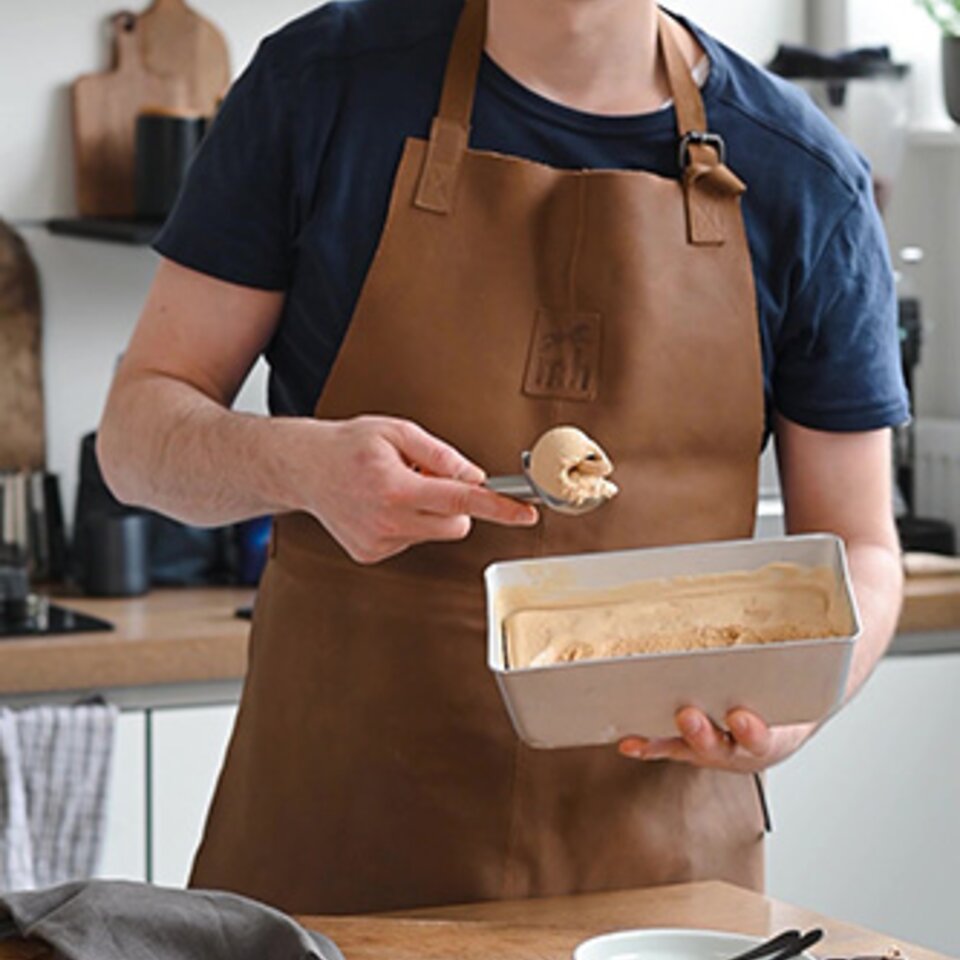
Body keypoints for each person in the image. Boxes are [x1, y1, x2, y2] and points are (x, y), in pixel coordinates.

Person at [97, 0, 908, 916]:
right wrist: (300, 467)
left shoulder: (805, 179)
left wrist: (800, 701)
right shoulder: (318, 87)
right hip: (332, 863)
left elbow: (861, 549)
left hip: (658, 882)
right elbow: (136, 440)